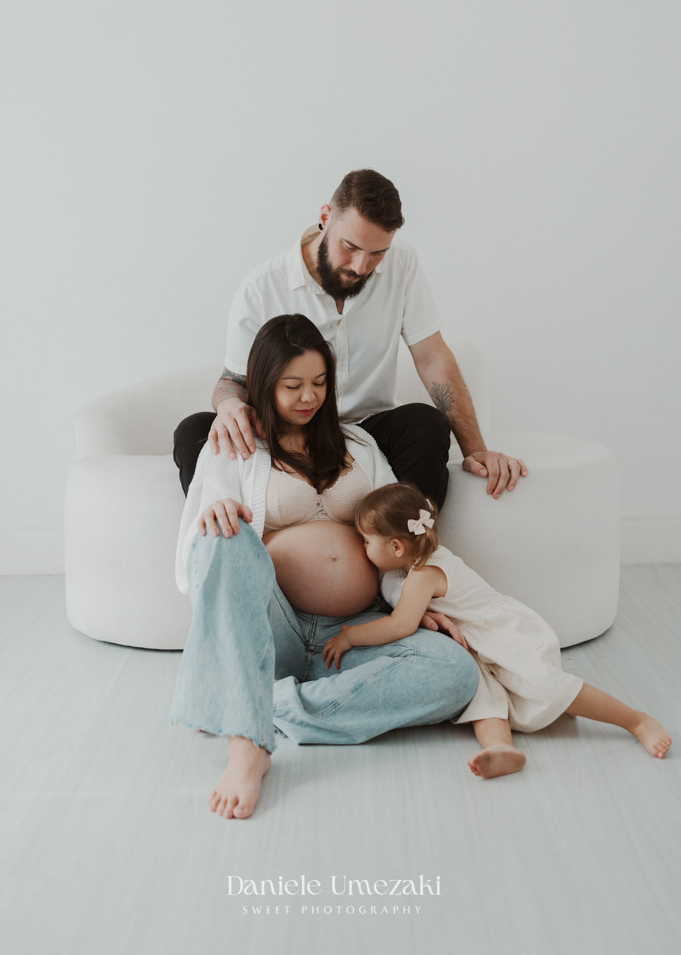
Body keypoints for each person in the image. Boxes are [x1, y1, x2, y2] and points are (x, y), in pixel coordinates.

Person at [169, 316, 479, 819]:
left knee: (455, 673)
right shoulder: (233, 447)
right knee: (219, 536)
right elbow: (200, 567)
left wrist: (408, 606)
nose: (307, 397)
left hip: (355, 632)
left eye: (319, 383)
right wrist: (214, 520)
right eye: (292, 386)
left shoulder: (360, 446)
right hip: (276, 629)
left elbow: (399, 542)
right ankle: (248, 745)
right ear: (263, 385)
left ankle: (261, 705)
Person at [173, 168, 527, 509]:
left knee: (426, 424)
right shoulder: (262, 287)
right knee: (195, 432)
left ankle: (402, 544)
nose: (360, 266)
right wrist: (231, 405)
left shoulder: (403, 263)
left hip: (370, 434)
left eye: (377, 253)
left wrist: (476, 450)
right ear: (325, 216)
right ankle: (243, 546)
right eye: (350, 246)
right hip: (287, 438)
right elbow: (232, 381)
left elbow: (432, 357)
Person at [322, 482, 672, 779]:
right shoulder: (421, 562)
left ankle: (636, 720)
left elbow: (400, 624)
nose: (363, 548)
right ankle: (502, 748)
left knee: (548, 686)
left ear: (396, 547)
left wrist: (351, 635)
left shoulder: (424, 575)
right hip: (475, 644)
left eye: (366, 541)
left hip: (501, 633)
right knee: (483, 701)